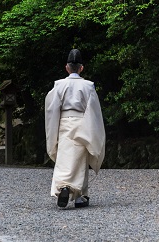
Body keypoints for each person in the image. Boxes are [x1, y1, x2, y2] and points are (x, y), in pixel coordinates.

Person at [44, 48, 106, 209]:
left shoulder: (59, 85)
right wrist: (93, 131)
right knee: (80, 160)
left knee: (64, 158)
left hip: (63, 122)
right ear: (81, 68)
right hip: (82, 122)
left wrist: (53, 129)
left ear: (66, 67)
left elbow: (52, 109)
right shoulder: (88, 86)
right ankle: (79, 197)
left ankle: (63, 187)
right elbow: (93, 110)